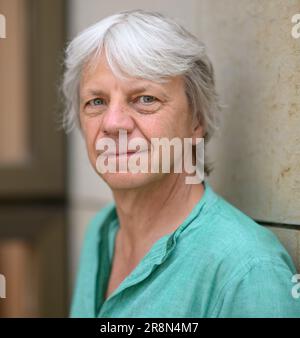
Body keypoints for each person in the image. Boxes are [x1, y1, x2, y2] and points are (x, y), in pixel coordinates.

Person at [62, 9, 300, 317]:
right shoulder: (101, 232)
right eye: (96, 101)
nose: (113, 122)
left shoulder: (248, 272)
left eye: (145, 98)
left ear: (196, 120)